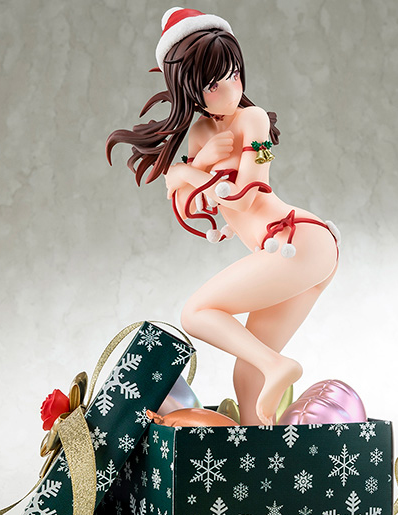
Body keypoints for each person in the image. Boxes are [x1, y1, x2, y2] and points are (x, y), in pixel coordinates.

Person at [107, 8, 339, 425]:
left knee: (197, 313)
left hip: (298, 239)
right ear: (190, 91)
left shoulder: (254, 119)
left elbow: (247, 195)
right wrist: (194, 168)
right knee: (247, 378)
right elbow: (190, 207)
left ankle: (278, 366)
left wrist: (187, 172)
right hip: (284, 250)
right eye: (213, 85)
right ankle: (261, 455)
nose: (230, 89)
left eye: (233, 74)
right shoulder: (200, 133)